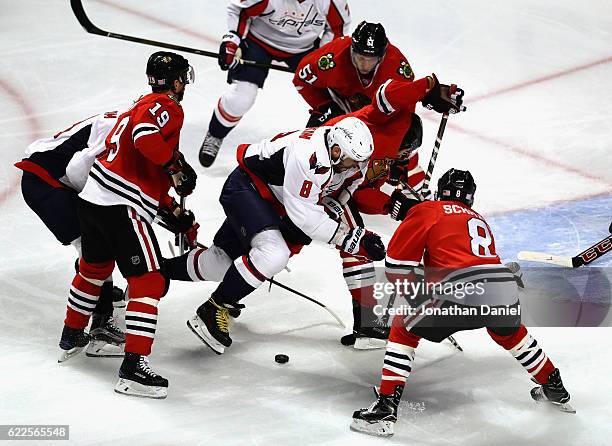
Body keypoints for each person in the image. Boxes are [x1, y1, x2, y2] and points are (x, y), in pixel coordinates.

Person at [350, 169, 574, 437]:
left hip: (458, 290)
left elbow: (397, 266)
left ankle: (384, 410)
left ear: (440, 191)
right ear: (470, 199)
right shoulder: (479, 220)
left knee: (403, 326)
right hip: (501, 286)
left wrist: (413, 297)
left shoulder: (427, 210)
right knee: (510, 332)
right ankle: (553, 385)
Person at [165, 117, 385, 354]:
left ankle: (155, 272)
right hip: (247, 187)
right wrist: (349, 240)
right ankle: (214, 308)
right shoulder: (308, 155)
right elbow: (305, 217)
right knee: (273, 253)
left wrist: (334, 205)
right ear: (336, 150)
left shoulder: (352, 160)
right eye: (354, 161)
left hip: (274, 200)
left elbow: (343, 190)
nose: (358, 166)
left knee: (220, 263)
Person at [57, 51, 198, 399]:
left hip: (93, 199)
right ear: (178, 81)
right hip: (122, 207)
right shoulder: (168, 106)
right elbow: (144, 138)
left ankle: (72, 333)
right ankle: (134, 367)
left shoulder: (138, 104)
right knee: (148, 279)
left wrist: (168, 205)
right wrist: (175, 167)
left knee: (94, 268)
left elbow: (133, 158)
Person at [323, 75, 464, 348]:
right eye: (403, 152)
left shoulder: (401, 153)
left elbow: (383, 189)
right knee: (356, 243)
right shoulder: (373, 129)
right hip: (317, 183)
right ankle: (369, 325)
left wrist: (410, 206)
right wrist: (430, 87)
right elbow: (389, 93)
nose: (403, 158)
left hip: (332, 189)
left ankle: (223, 290)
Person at [15, 111, 126, 358]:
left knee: (98, 248)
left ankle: (98, 296)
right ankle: (98, 327)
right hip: (47, 183)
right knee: (95, 251)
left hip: (49, 174)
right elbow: (79, 170)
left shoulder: (125, 118)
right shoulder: (120, 133)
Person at [198, 0, 351, 167]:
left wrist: (324, 57)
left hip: (304, 49)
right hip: (259, 42)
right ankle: (216, 133)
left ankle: (328, 149)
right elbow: (240, 11)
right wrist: (232, 40)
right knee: (242, 98)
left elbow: (338, 27)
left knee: (332, 97)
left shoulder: (330, 2)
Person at [293, 21, 415, 128]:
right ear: (352, 50)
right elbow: (300, 79)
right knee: (312, 142)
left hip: (377, 114)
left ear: (382, 56)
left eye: (371, 60)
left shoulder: (398, 72)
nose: (365, 65)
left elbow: (405, 116)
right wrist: (326, 105)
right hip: (339, 101)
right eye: (361, 58)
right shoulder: (333, 57)